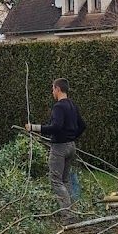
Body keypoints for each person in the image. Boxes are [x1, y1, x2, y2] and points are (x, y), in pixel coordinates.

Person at [25, 78, 85, 224]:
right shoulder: (72, 105)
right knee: (65, 180)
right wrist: (71, 137)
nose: (52, 92)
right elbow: (82, 125)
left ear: (58, 89)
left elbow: (56, 126)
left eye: (52, 89)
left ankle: (68, 215)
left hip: (59, 149)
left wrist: (34, 128)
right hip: (71, 146)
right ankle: (73, 210)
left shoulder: (59, 107)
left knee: (56, 181)